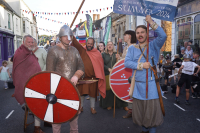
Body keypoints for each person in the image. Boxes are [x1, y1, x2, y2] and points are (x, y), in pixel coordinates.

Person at [124, 15, 167, 133]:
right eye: (138, 33)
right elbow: (127, 63)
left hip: (152, 87)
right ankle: (144, 130)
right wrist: (141, 65)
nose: (140, 34)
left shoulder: (154, 45)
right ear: (136, 35)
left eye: (142, 32)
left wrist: (151, 22)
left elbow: (163, 36)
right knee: (141, 114)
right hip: (138, 87)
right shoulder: (132, 48)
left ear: (147, 33)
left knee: (151, 115)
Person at [46, 25, 84, 133]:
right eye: (66, 36)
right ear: (60, 37)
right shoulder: (53, 51)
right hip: (57, 90)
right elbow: (50, 72)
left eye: (70, 36)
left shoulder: (75, 50)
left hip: (72, 89)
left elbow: (81, 66)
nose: (68, 38)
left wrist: (76, 75)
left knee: (74, 118)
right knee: (57, 119)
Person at [12, 35, 44, 133]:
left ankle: (42, 123)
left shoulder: (29, 53)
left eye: (32, 42)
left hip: (35, 84)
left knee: (44, 100)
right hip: (28, 87)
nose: (31, 44)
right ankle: (37, 128)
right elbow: (19, 72)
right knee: (39, 104)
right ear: (23, 42)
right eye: (29, 42)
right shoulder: (21, 53)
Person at [72, 36, 106, 114]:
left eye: (91, 44)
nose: (89, 45)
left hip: (92, 78)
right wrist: (71, 34)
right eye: (88, 43)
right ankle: (81, 107)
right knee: (81, 94)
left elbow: (100, 65)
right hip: (82, 77)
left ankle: (92, 108)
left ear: (93, 44)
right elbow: (76, 44)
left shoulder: (97, 53)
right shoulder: (82, 50)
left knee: (92, 94)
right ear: (86, 43)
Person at [100, 41, 128, 110]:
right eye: (108, 45)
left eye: (111, 44)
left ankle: (123, 104)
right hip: (107, 73)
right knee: (109, 89)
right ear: (106, 46)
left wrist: (119, 58)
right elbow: (101, 64)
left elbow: (120, 63)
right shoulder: (103, 54)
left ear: (113, 46)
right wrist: (108, 69)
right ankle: (109, 104)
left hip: (116, 74)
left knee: (118, 88)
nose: (110, 46)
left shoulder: (116, 54)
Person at [121, 30, 137, 118]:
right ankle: (130, 111)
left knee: (134, 92)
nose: (124, 37)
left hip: (133, 73)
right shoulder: (125, 47)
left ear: (130, 36)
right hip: (125, 73)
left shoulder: (135, 47)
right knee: (127, 91)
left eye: (125, 35)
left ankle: (137, 112)